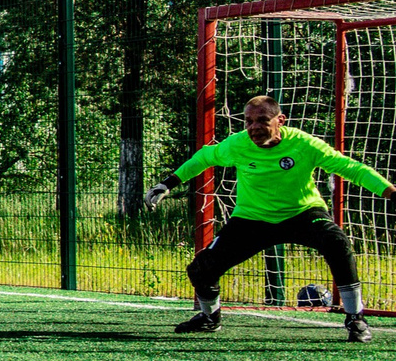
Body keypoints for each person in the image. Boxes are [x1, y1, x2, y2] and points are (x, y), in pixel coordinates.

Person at [148, 93, 390, 341]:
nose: (254, 128)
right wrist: (166, 184)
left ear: (280, 120)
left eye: (262, 120)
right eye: (249, 121)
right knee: (200, 269)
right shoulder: (237, 144)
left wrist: (390, 192)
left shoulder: (304, 145)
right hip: (252, 219)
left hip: (302, 213)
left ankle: (355, 319)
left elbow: (352, 168)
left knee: (337, 242)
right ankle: (210, 318)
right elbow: (203, 158)